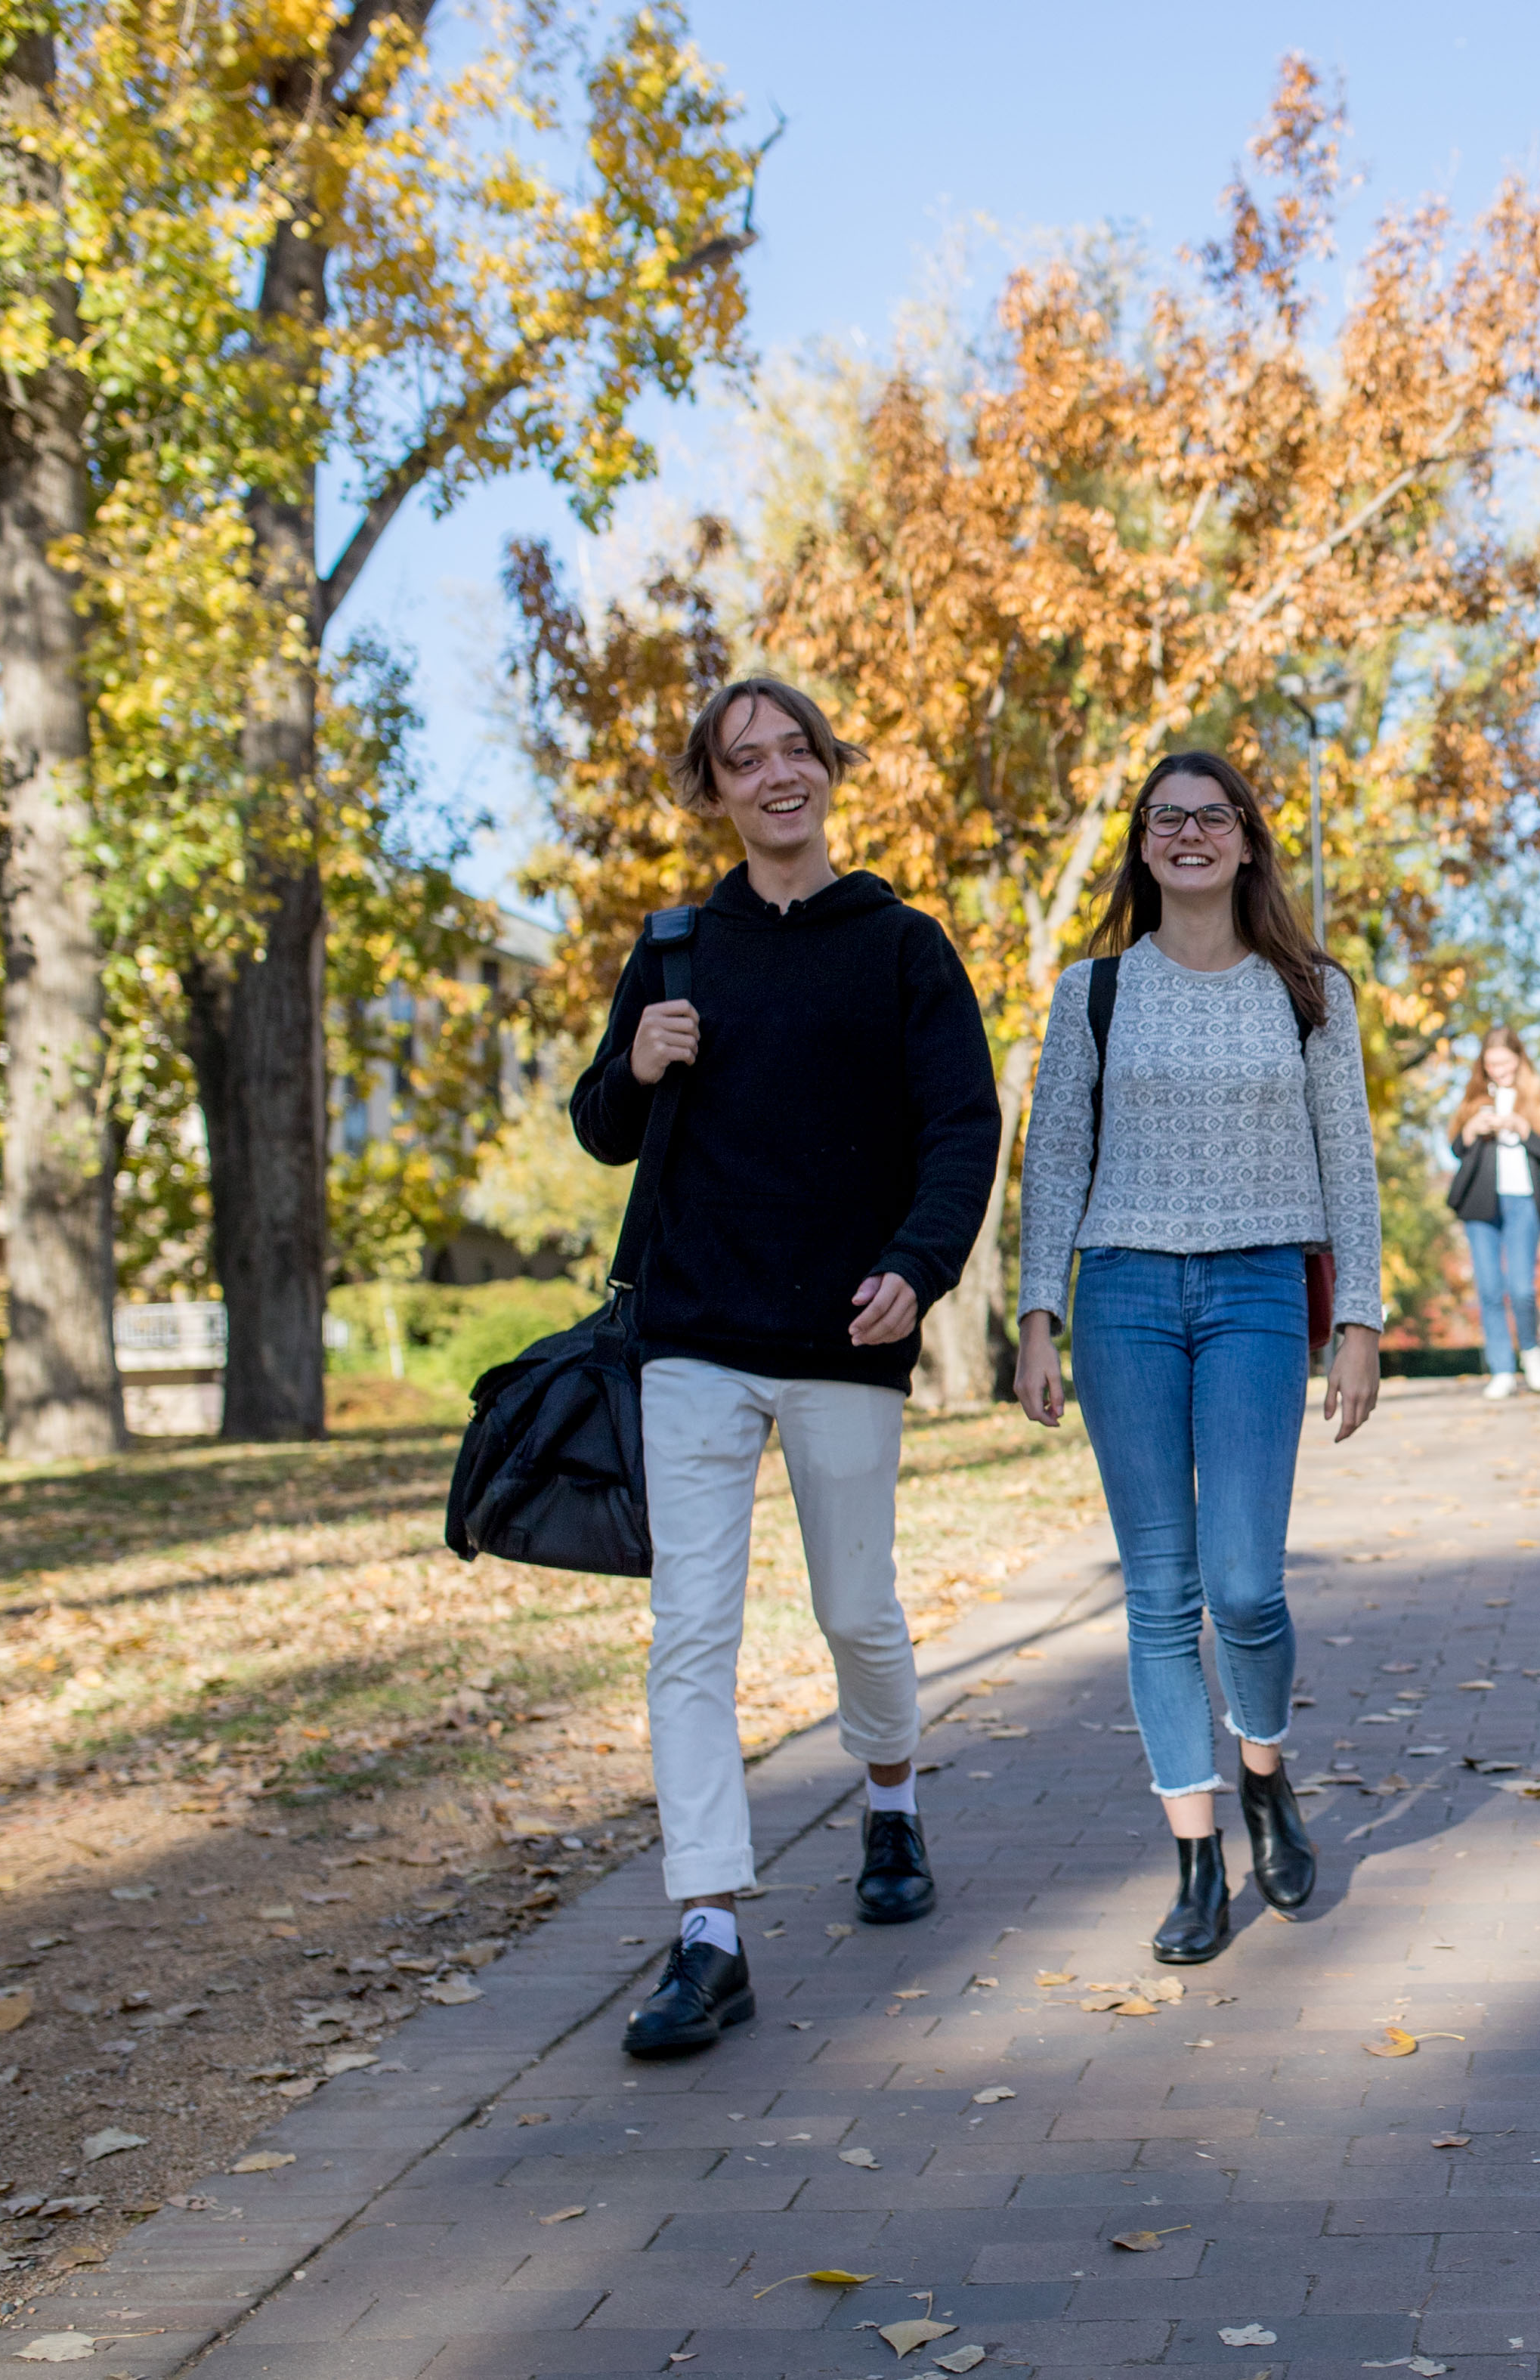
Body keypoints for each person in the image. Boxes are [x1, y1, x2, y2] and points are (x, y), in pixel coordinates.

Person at [572, 676, 1003, 2060]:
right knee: (689, 1634)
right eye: (740, 760)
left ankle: (889, 1795)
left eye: (792, 751)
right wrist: (633, 1062)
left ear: (828, 765)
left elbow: (960, 1127)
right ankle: (707, 1928)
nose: (772, 775)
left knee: (855, 1607)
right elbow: (598, 1127)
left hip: (844, 1335)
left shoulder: (900, 949)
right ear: (712, 791)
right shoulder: (678, 947)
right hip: (693, 1336)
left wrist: (917, 1267)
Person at [1014, 751, 1387, 1964]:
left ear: (1244, 839)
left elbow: (1353, 1168)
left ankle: (1266, 1771)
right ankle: (1194, 1858)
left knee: (1245, 1584)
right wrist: (1037, 1317)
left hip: (1257, 1292)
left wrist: (1361, 1324)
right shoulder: (1094, 993)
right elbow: (1056, 1159)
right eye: (1163, 819)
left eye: (1208, 817)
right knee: (1160, 1597)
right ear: (1141, 844)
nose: (1186, 835)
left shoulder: (1309, 989)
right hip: (1122, 1289)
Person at [1447, 1028, 1540, 1397]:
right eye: (1491, 1064)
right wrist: (1471, 1130)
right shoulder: (1473, 1097)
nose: (1499, 1071)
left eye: (1505, 1063)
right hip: (1481, 1203)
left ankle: (1531, 1353)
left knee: (1522, 1288)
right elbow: (1455, 1148)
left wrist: (1523, 1128)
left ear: (1519, 1059)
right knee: (1490, 1289)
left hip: (1523, 1199)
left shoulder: (1539, 1097)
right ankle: (1501, 1369)